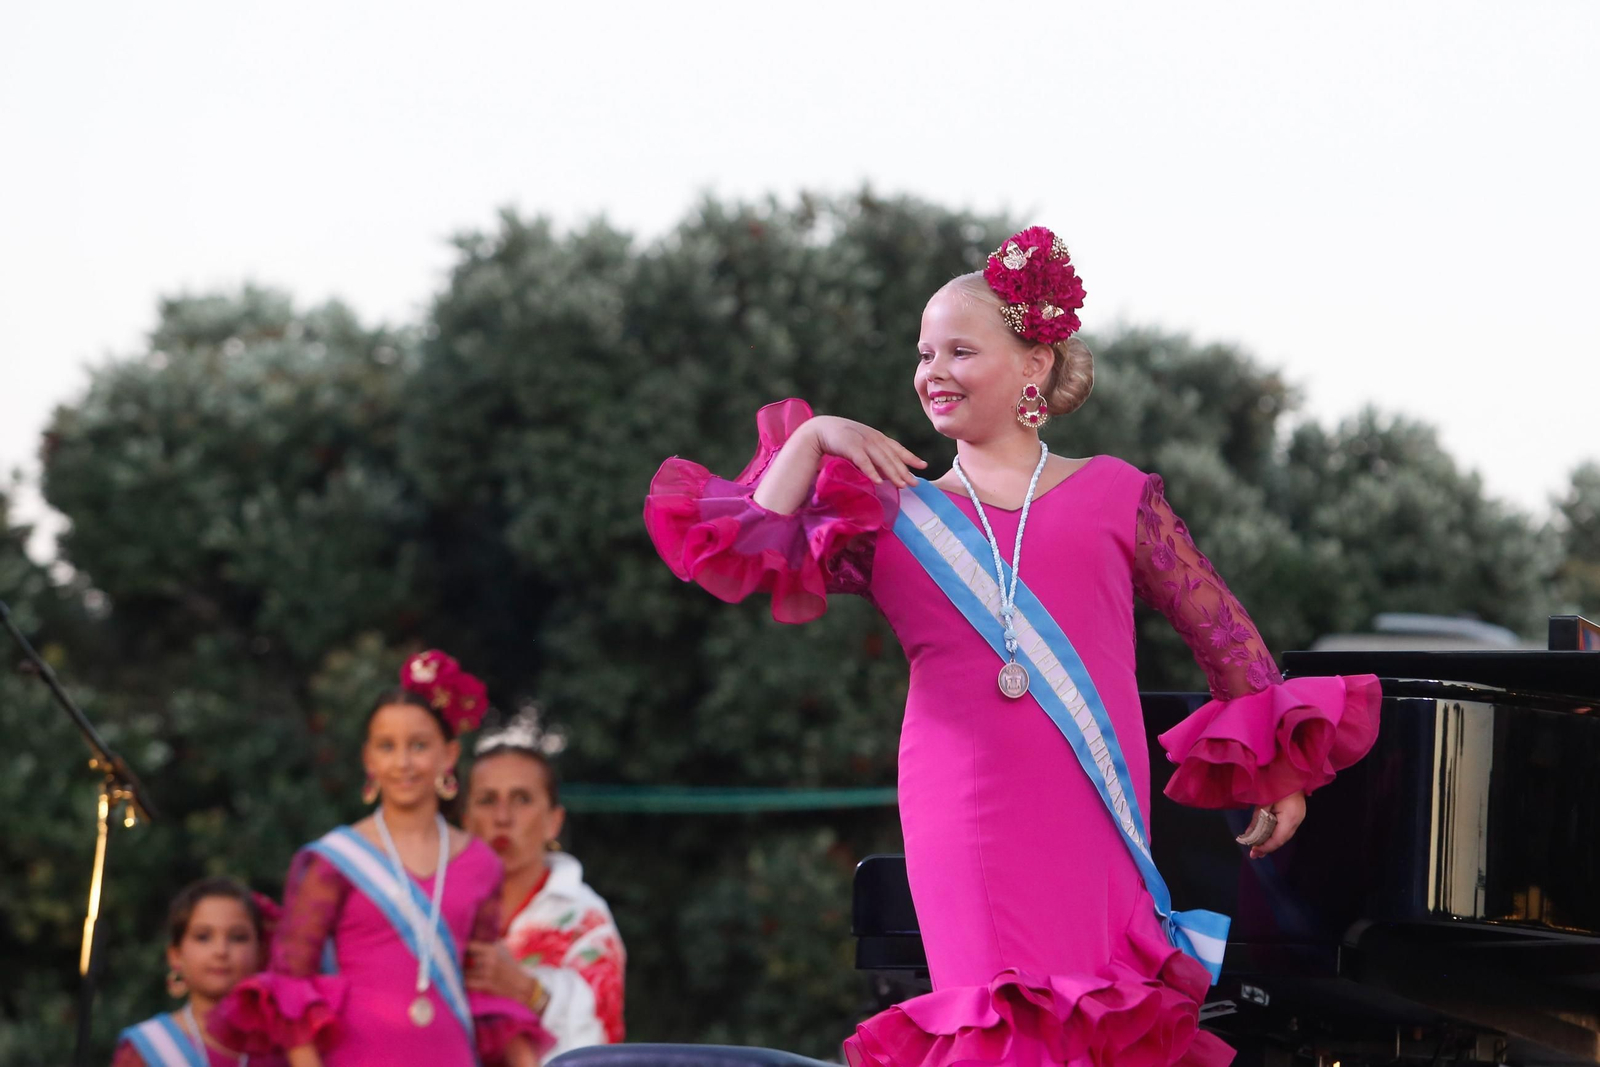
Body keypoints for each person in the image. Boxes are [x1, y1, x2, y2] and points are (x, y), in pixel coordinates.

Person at [643, 226, 1382, 1067]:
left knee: (1100, 1016)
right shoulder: (886, 510)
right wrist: (815, 440)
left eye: (961, 349)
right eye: (924, 353)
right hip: (960, 801)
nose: (933, 371)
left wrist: (1278, 768)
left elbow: (1218, 629)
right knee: (995, 1020)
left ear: (1034, 365)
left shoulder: (1115, 492)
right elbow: (744, 549)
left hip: (1090, 795)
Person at [209, 652, 552, 1067]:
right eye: (387, 747)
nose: (403, 762)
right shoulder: (333, 860)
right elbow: (291, 987)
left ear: (447, 755)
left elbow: (482, 991)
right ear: (369, 760)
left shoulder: (482, 862)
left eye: (419, 746)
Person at [462, 708, 627, 1058]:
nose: (502, 818)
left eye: (522, 799)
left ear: (554, 821)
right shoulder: (434, 907)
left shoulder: (585, 921)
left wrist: (529, 993)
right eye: (487, 800)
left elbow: (602, 1043)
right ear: (466, 819)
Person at [113, 876, 286, 1067]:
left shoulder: (288, 1049)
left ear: (260, 952)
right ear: (176, 955)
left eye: (238, 938)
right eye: (203, 937)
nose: (221, 951)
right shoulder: (150, 1048)